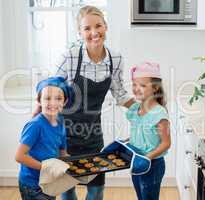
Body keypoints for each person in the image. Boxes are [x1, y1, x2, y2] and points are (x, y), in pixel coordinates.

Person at [53, 5, 134, 200]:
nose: (94, 32)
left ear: (106, 26)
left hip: (93, 135)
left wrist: (145, 110)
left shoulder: (115, 59)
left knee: (97, 190)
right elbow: (51, 92)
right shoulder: (70, 57)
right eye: (87, 28)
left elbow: (120, 94)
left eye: (98, 26)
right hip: (66, 136)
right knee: (67, 189)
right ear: (80, 33)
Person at [15, 77, 70, 200]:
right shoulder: (35, 125)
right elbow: (19, 156)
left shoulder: (60, 123)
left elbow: (63, 153)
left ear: (65, 102)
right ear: (39, 100)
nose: (53, 103)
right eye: (47, 98)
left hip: (49, 181)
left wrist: (78, 167)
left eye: (58, 98)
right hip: (32, 184)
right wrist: (46, 168)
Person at [126, 62, 171, 200]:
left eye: (142, 85)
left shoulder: (159, 113)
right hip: (137, 161)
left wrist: (148, 157)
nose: (136, 89)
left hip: (153, 165)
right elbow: (140, 134)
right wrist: (127, 141)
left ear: (155, 87)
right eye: (134, 84)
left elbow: (166, 143)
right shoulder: (136, 109)